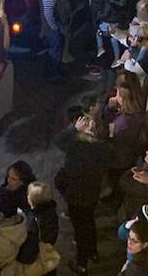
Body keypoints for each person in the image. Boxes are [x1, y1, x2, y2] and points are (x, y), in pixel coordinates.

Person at [53, 110, 110, 273]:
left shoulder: (78, 147)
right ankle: (93, 252)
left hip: (77, 196)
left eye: (87, 125)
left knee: (81, 229)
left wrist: (74, 129)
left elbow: (58, 140)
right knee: (89, 222)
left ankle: (82, 264)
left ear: (91, 133)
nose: (83, 125)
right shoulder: (104, 148)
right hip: (91, 193)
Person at [39, 0, 71, 79]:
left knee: (56, 51)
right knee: (55, 52)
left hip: (54, 27)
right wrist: (54, 27)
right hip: (52, 29)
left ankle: (55, 72)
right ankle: (53, 76)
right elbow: (48, 14)